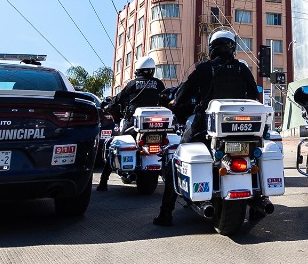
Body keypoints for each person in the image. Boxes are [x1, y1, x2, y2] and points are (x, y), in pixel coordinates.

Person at [155, 30, 261, 227]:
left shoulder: (203, 69)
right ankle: (256, 207)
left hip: (204, 127)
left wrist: (174, 103)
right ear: (232, 47)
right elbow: (255, 97)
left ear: (212, 47)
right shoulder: (242, 69)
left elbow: (181, 97)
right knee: (257, 157)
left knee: (176, 158)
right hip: (243, 130)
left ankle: (165, 214)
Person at [98, 56, 170, 192]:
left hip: (133, 124)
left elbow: (118, 99)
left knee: (115, 142)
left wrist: (108, 107)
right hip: (157, 126)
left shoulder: (133, 84)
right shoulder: (159, 84)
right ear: (152, 71)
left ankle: (103, 181)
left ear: (138, 71)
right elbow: (165, 101)